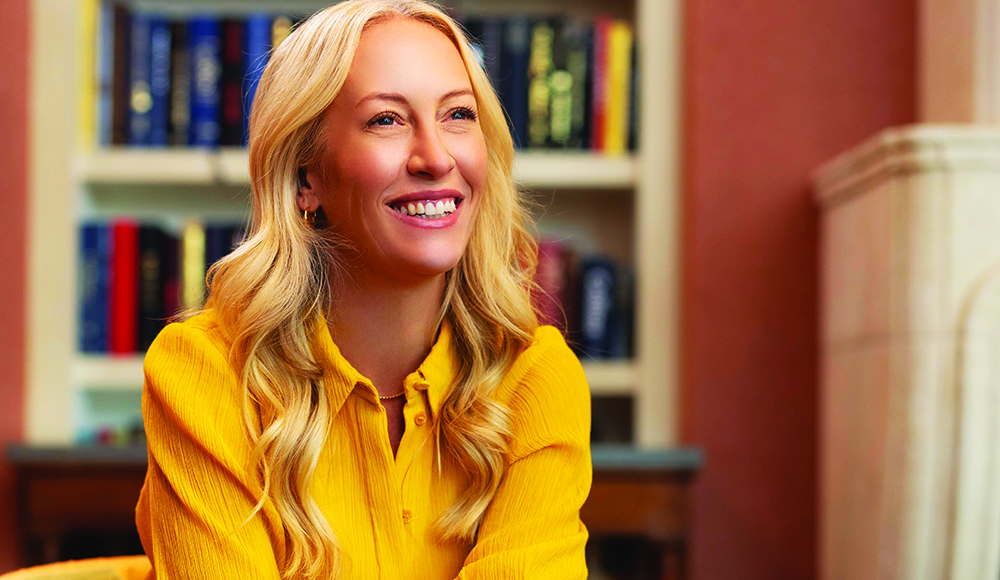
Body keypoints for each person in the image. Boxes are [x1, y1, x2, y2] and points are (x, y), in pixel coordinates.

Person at [134, 1, 591, 578]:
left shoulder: (535, 378)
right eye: (387, 120)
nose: (436, 157)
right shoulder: (205, 374)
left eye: (458, 114)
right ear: (305, 178)